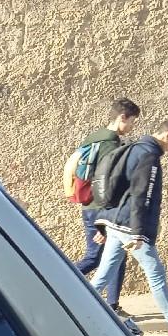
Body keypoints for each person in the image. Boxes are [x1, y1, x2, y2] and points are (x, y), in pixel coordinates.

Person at [89, 115, 168, 336]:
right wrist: (138, 232)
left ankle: (75, 309)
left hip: (115, 222)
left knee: (103, 275)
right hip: (129, 226)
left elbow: (120, 186)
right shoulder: (149, 155)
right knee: (155, 274)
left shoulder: (134, 147)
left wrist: (103, 224)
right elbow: (142, 195)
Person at [65, 98, 140, 302]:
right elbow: (107, 182)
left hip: (92, 206)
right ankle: (58, 285)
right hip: (101, 209)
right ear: (122, 117)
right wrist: (107, 220)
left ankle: (113, 304)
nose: (132, 126)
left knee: (117, 256)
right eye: (132, 121)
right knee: (94, 257)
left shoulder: (94, 137)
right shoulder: (110, 142)